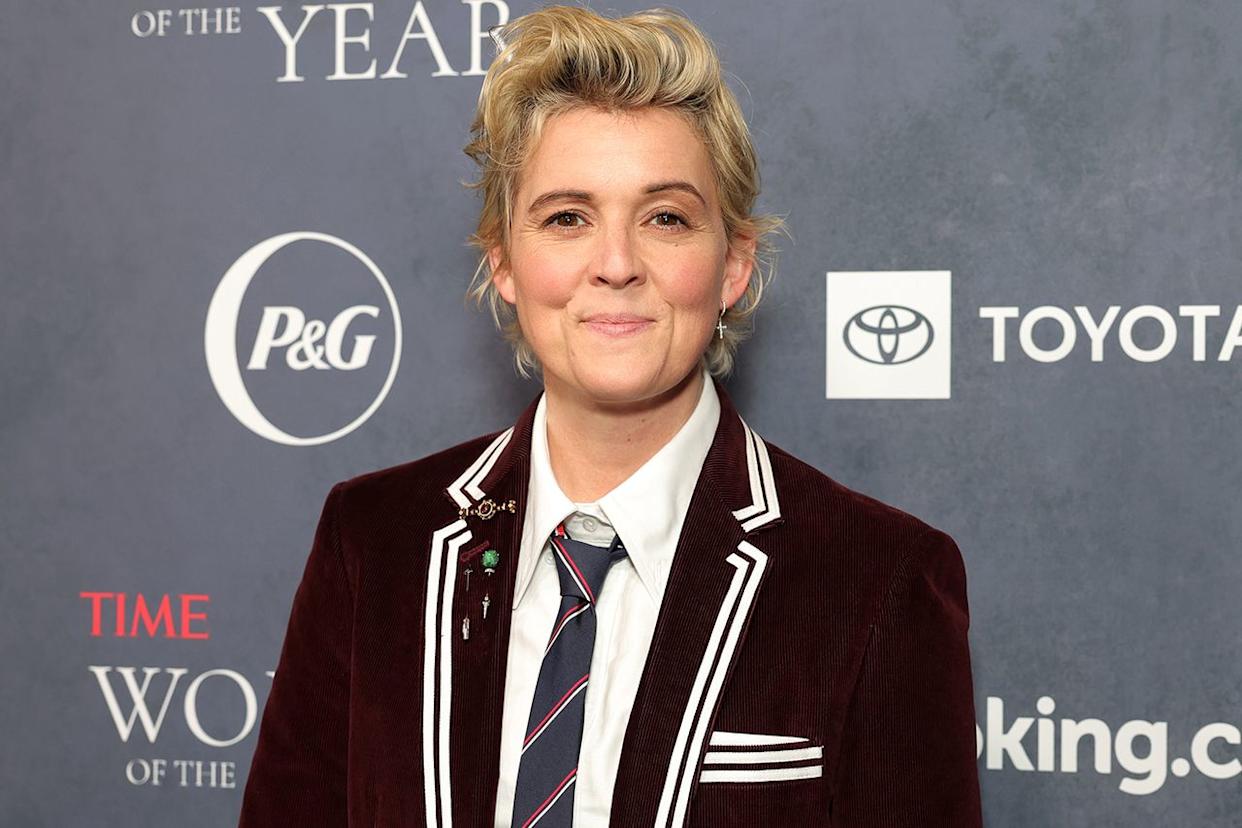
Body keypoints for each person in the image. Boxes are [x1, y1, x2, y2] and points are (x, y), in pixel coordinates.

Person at [239, 5, 982, 826]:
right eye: (567, 217)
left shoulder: (879, 579)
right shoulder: (374, 541)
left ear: (733, 263)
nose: (617, 265)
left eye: (665, 217)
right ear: (506, 264)